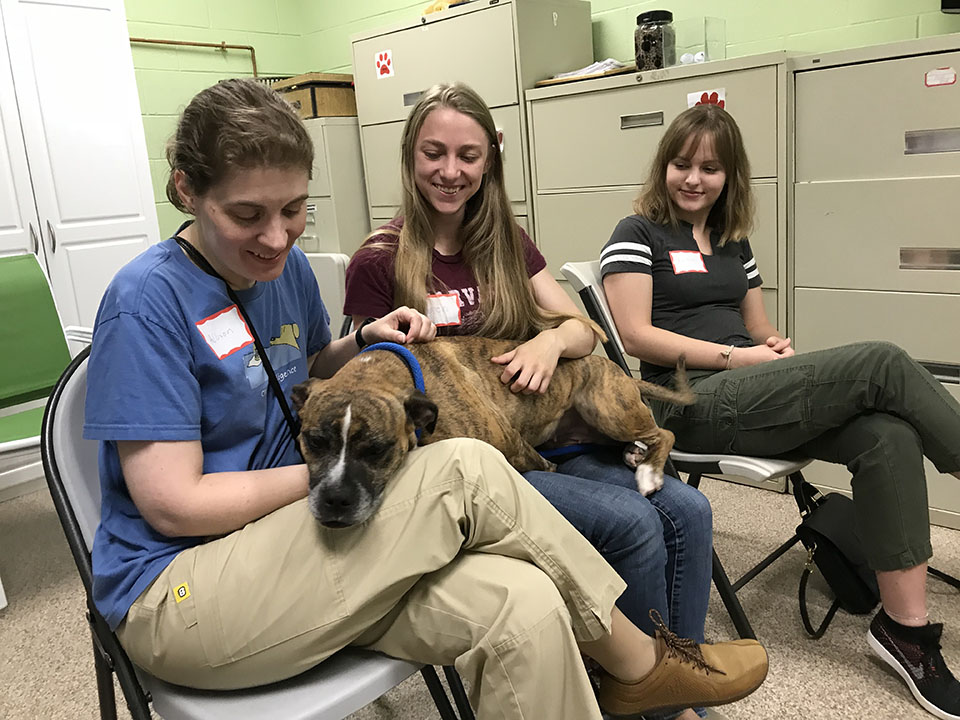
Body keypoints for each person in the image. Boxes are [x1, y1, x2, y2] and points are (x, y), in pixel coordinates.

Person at [82, 79, 767, 720]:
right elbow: (174, 506)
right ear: (186, 190)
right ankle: (641, 666)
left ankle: (644, 684)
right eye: (247, 214)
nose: (275, 237)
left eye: (293, 211)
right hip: (182, 588)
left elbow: (309, 369)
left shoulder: (281, 272)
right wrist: (339, 469)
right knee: (461, 465)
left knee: (527, 606)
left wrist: (364, 340)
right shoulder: (147, 302)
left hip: (293, 542)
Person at [343, 82, 716, 720]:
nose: (451, 171)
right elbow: (366, 388)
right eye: (434, 153)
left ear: (490, 159)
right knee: (634, 524)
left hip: (546, 436)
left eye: (468, 155)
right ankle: (639, 694)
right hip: (473, 467)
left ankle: (673, 683)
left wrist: (549, 345)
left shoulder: (506, 241)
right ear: (410, 158)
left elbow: (584, 330)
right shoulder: (378, 260)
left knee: (686, 508)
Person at [600, 102, 960, 720]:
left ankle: (906, 632)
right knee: (881, 362)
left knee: (887, 433)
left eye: (709, 168)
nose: (693, 179)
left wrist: (773, 349)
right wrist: (736, 360)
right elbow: (634, 336)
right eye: (681, 164)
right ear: (664, 168)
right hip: (681, 401)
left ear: (729, 176)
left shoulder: (735, 243)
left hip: (747, 386)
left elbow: (759, 328)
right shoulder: (636, 235)